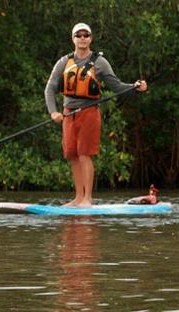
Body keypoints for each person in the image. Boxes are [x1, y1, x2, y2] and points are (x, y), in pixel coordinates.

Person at [45, 22, 148, 207]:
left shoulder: (100, 62)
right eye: (79, 35)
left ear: (91, 39)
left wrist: (135, 87)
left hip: (89, 113)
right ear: (73, 39)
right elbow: (50, 88)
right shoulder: (63, 62)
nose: (82, 38)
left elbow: (117, 86)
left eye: (86, 35)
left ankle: (87, 199)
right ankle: (78, 198)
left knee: (84, 154)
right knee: (73, 155)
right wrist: (53, 112)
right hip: (68, 114)